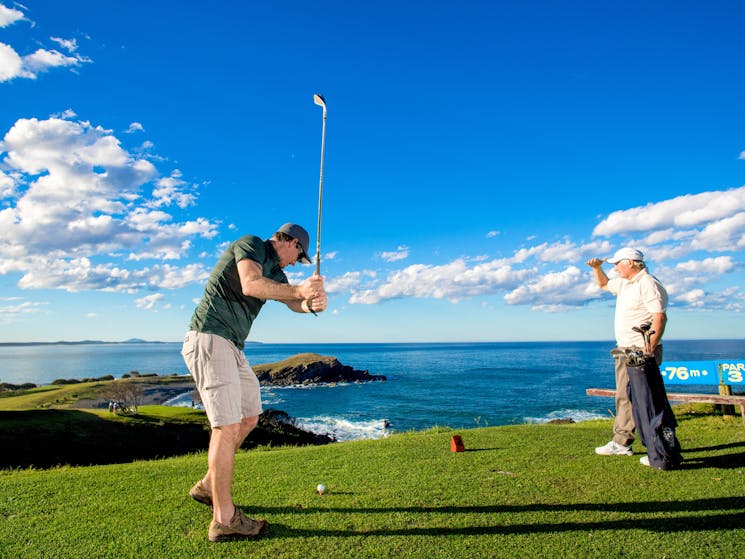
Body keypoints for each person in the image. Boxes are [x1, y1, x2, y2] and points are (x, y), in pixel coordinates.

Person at [181, 223, 327, 542]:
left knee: (248, 417)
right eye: (297, 255)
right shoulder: (251, 245)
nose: (294, 263)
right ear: (288, 241)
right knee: (227, 426)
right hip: (209, 337)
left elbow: (293, 303)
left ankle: (208, 485)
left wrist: (311, 303)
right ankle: (224, 519)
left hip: (232, 345)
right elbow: (251, 284)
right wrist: (300, 292)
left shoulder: (277, 272)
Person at [586, 247, 668, 464]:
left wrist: (649, 347)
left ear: (631, 262)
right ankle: (623, 442)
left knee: (646, 399)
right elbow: (603, 284)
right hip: (625, 349)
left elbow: (659, 317)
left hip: (639, 350)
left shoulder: (647, 283)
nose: (614, 268)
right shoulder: (625, 283)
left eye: (617, 264)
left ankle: (658, 448)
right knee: (625, 396)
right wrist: (597, 268)